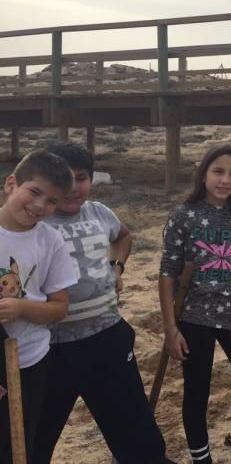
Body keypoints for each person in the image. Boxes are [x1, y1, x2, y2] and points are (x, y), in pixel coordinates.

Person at [34, 143, 168, 464]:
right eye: (62, 179)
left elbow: (123, 236)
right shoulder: (35, 224)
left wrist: (116, 267)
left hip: (107, 339)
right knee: (31, 441)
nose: (72, 187)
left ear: (91, 180)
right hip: (51, 350)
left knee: (138, 437)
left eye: (80, 178)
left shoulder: (99, 214)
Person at [159, 145, 231, 464]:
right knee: (196, 394)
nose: (225, 180)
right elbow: (168, 273)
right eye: (218, 172)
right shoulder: (184, 215)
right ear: (204, 173)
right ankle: (201, 458)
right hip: (194, 319)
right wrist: (170, 328)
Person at [0, 150, 76, 464]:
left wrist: (21, 309)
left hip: (29, 362)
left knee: (17, 447)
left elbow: (60, 308)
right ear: (11, 183)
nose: (39, 206)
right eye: (34, 192)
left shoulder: (50, 241)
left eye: (51, 201)